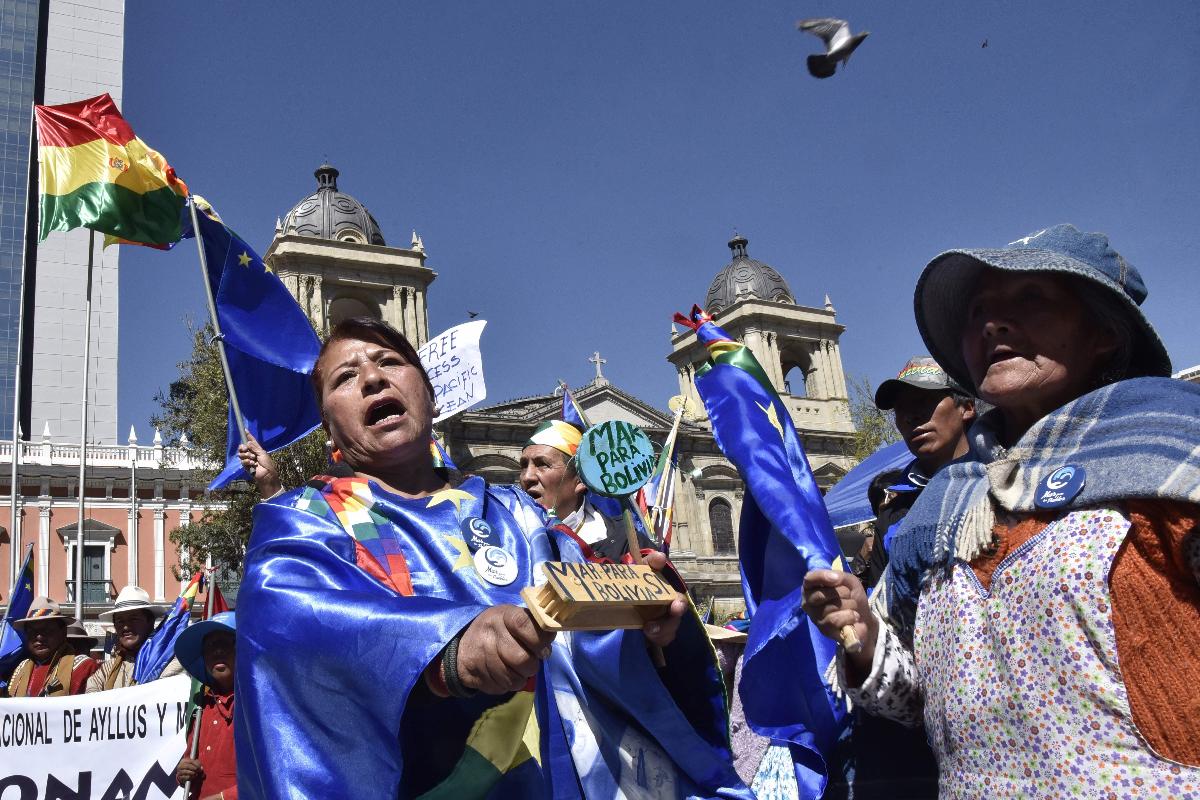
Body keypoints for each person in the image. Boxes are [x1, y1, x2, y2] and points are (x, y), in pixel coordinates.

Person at [236, 317, 750, 799]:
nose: (372, 377)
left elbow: (584, 627)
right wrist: (447, 648)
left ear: (430, 398)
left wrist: (646, 618)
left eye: (390, 362)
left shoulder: (517, 513)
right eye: (346, 377)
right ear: (329, 429)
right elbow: (288, 622)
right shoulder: (303, 517)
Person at [804, 224, 1200, 797]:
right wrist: (866, 641)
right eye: (977, 310)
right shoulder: (945, 506)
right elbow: (923, 701)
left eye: (1031, 297)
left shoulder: (1174, 454)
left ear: (1106, 333)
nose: (991, 322)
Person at [864, 356, 976, 586]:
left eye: (925, 401)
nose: (911, 416)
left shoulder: (1007, 481)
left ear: (966, 407)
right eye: (900, 408)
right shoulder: (892, 514)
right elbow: (881, 606)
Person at [518, 419, 653, 562]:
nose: (527, 477)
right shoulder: (501, 533)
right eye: (524, 465)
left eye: (542, 465)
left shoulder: (628, 544)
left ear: (580, 479)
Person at [174, 611, 237, 800]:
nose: (217, 651)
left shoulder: (260, 706)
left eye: (226, 644)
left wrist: (224, 797)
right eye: (210, 646)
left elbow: (274, 775)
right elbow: (191, 761)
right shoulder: (202, 707)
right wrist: (184, 771)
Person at [87, 585, 184, 692]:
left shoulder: (168, 661)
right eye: (120, 621)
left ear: (150, 622)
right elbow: (90, 694)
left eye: (134, 619)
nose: (126, 627)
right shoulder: (107, 670)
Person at [2, 597, 98, 697]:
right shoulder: (20, 670)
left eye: (46, 630)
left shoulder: (84, 667)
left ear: (63, 632)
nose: (39, 637)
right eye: (32, 632)